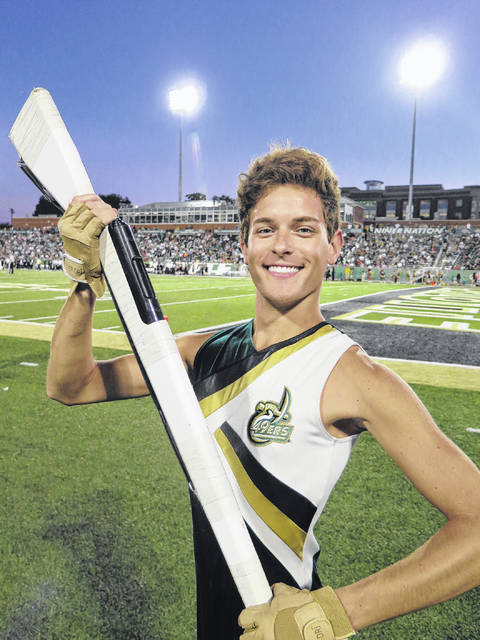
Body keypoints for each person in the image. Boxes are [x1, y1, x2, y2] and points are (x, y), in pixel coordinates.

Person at [46, 147, 480, 640]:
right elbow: (71, 384)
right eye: (266, 229)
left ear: (334, 245)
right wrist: (85, 281)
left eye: (304, 228)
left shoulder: (355, 376)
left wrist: (330, 615)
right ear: (244, 245)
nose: (282, 245)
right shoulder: (199, 352)